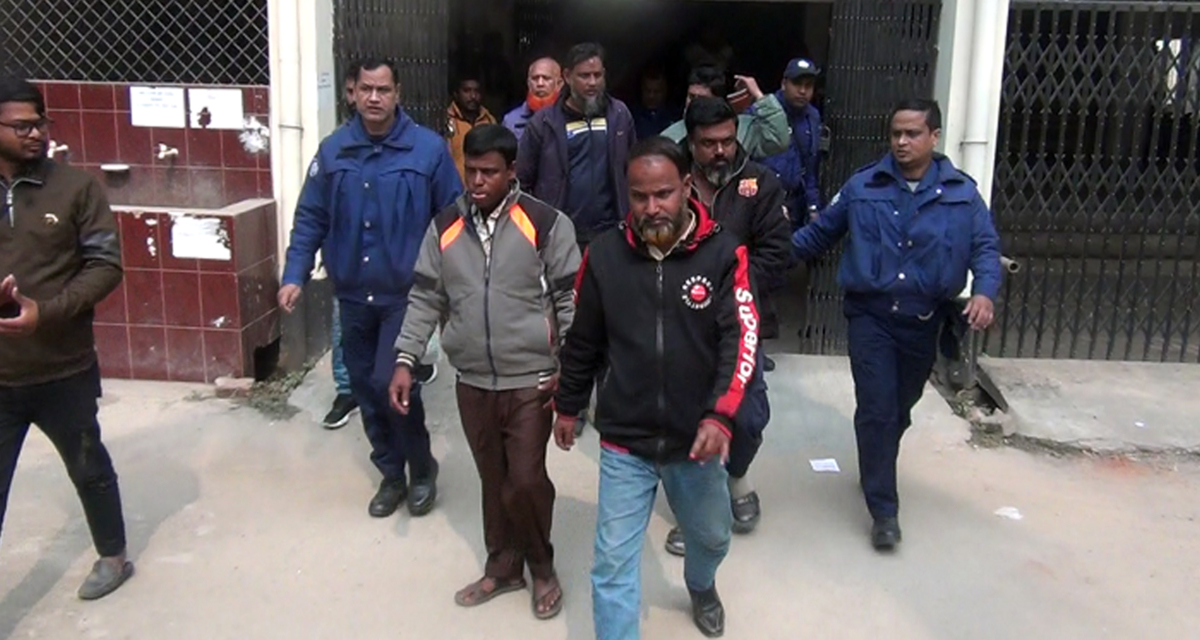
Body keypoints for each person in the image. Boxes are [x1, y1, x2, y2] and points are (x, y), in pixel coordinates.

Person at [554, 137, 760, 639]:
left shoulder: (724, 253)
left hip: (697, 440)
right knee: (612, 566)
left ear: (687, 187)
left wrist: (720, 414)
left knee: (712, 539)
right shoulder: (604, 255)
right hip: (626, 439)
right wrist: (569, 405)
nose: (651, 208)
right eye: (640, 196)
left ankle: (701, 583)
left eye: (663, 194)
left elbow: (741, 339)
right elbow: (583, 340)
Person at [791, 99, 1002, 551]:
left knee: (900, 408)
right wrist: (760, 260)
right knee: (878, 409)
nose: (902, 142)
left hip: (924, 320)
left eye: (912, 134)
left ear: (934, 137)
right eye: (896, 134)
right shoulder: (863, 186)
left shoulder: (962, 193)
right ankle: (884, 511)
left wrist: (984, 291)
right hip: (871, 317)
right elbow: (818, 235)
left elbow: (985, 246)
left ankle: (876, 457)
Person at [389, 124, 579, 620]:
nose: (477, 181)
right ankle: (503, 567)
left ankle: (542, 566)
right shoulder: (446, 226)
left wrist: (570, 371)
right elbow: (425, 296)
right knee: (493, 479)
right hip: (472, 379)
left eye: (489, 172)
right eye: (470, 170)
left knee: (525, 479)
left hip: (532, 379)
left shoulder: (545, 223)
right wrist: (406, 359)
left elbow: (569, 300)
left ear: (511, 171)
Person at [279, 58, 462, 519]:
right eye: (366, 89)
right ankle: (391, 473)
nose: (374, 98)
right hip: (354, 296)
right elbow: (311, 216)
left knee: (391, 382)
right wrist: (295, 274)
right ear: (352, 92)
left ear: (398, 93)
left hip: (406, 295)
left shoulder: (427, 151)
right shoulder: (334, 151)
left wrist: (453, 288)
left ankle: (421, 468)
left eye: (383, 89)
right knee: (364, 387)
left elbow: (454, 220)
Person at [0, 77, 134, 600]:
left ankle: (113, 555)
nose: (36, 134)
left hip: (64, 366)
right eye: (21, 126)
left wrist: (48, 313)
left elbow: (105, 266)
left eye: (40, 123)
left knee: (88, 465)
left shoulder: (76, 189)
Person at [662, 96, 790, 557]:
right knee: (688, 419)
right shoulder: (667, 185)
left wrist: (729, 290)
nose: (720, 151)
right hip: (680, 324)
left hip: (740, 320)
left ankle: (736, 475)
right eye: (709, 143)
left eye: (727, 141)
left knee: (749, 416)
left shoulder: (761, 183)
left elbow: (777, 253)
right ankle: (700, 513)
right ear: (690, 142)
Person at [517, 42, 637, 248]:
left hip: (612, 231)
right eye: (584, 76)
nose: (592, 82)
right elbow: (522, 182)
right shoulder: (544, 123)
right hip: (562, 236)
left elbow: (634, 168)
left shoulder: (619, 115)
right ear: (567, 76)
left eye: (597, 75)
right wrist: (539, 226)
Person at [660, 65, 789, 160]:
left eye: (702, 98)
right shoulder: (670, 136)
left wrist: (758, 95)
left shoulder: (744, 129)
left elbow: (778, 141)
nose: (694, 103)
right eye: (691, 97)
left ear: (718, 100)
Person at [762, 58, 824, 230]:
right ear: (784, 84)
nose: (803, 91)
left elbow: (811, 166)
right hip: (765, 203)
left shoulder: (812, 117)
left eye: (808, 86)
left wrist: (813, 206)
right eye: (797, 84)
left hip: (796, 205)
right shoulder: (765, 110)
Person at [446, 75, 497, 182]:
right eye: (467, 91)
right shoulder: (446, 120)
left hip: (484, 184)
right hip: (456, 187)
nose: (473, 96)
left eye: (477, 91)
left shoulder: (490, 121)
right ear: (456, 94)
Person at [503, 57, 563, 141]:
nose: (540, 84)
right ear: (528, 84)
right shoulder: (511, 120)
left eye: (546, 78)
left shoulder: (570, 116)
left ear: (559, 84)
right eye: (535, 78)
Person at [630, 67, 680, 141]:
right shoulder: (632, 116)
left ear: (665, 91)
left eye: (656, 92)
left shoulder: (674, 116)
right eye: (648, 91)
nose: (651, 96)